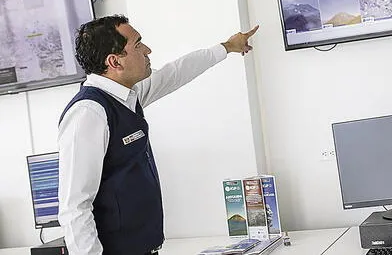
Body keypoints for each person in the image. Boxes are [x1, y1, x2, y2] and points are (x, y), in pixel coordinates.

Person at [57, 15, 258, 255]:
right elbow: (75, 207)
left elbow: (176, 72)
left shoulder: (129, 95)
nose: (148, 50)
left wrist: (227, 47)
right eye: (138, 44)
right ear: (114, 62)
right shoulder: (88, 114)